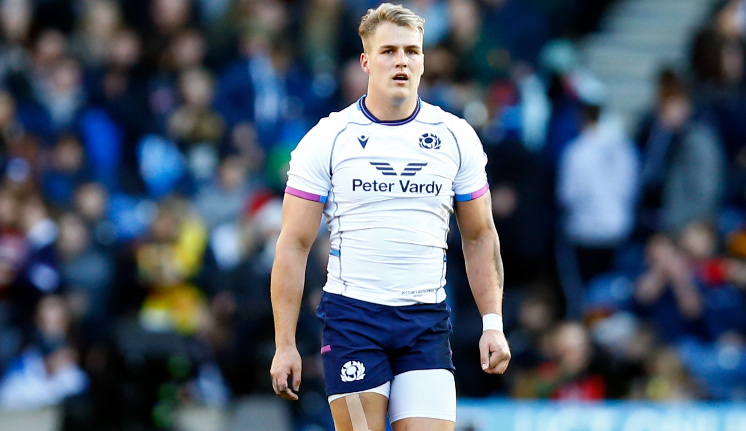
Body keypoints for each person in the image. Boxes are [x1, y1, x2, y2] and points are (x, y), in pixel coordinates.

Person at [269, 4, 510, 431]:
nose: (401, 61)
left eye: (412, 51)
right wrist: (284, 344)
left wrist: (493, 323)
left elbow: (479, 236)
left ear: (423, 60)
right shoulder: (328, 139)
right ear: (365, 61)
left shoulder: (456, 137)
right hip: (354, 321)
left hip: (425, 322)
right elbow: (294, 244)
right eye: (388, 51)